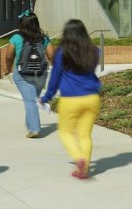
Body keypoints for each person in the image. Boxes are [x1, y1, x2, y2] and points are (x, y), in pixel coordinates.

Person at [39, 19, 102, 179]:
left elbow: (55, 77)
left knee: (65, 132)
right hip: (92, 98)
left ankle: (79, 158)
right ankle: (84, 169)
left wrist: (46, 97)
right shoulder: (94, 50)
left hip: (71, 99)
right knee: (85, 135)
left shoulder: (62, 53)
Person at [4, 11, 54, 138]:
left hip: (22, 75)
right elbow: (52, 55)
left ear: (21, 24)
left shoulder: (16, 38)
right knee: (32, 99)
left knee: (30, 100)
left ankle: (34, 129)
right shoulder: (44, 39)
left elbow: (9, 56)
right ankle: (29, 124)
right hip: (41, 74)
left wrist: (7, 69)